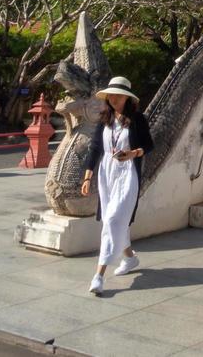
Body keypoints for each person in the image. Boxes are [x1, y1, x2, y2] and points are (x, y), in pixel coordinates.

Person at [81, 75, 154, 295]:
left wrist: (133, 153)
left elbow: (149, 145)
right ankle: (130, 258)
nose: (113, 98)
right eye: (110, 95)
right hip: (107, 175)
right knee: (114, 219)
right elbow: (95, 149)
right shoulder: (105, 119)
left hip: (128, 174)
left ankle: (99, 275)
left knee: (112, 219)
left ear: (126, 98)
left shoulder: (138, 119)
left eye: (117, 95)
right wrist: (87, 177)